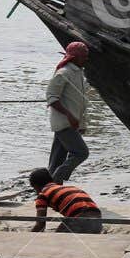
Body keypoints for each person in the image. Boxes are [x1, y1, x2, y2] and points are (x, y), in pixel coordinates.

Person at [46, 41, 90, 180]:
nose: (86, 59)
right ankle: (57, 178)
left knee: (56, 160)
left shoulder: (78, 73)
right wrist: (69, 116)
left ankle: (48, 189)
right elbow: (51, 98)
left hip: (73, 123)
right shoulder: (64, 72)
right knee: (81, 152)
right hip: (64, 123)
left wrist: (81, 124)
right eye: (83, 56)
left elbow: (79, 101)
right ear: (74, 57)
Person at [29, 168, 103, 234]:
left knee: (55, 239)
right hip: (98, 220)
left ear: (36, 186)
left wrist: (27, 236)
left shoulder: (43, 195)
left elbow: (40, 225)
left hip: (80, 219)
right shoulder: (71, 187)